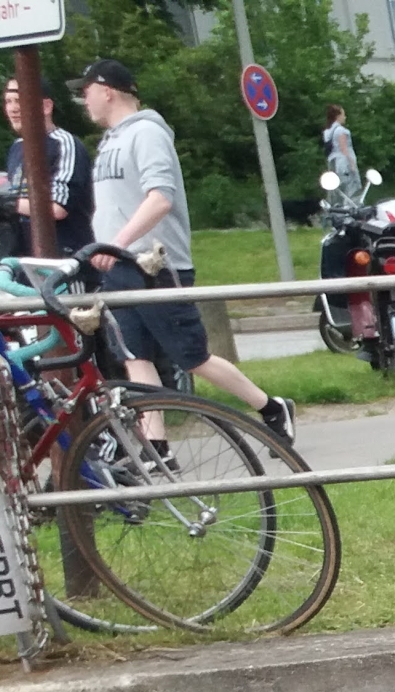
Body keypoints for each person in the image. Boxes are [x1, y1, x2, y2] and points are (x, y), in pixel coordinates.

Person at [72, 58, 296, 443]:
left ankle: (271, 407)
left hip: (152, 263)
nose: (83, 100)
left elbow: (160, 198)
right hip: (119, 265)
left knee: (190, 355)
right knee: (134, 356)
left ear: (106, 90)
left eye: (86, 91)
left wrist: (117, 243)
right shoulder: (110, 141)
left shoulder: (147, 134)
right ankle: (156, 444)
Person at [1, 76, 90, 254]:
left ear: (46, 106)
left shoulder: (63, 143)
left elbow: (58, 208)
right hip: (27, 256)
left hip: (65, 255)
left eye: (19, 100)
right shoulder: (17, 147)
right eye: (8, 102)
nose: (12, 109)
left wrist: (6, 205)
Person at [321, 104, 360, 202]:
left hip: (332, 163)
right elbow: (344, 149)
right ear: (338, 116)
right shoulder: (341, 131)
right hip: (343, 164)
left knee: (335, 190)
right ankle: (350, 208)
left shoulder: (327, 132)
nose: (345, 117)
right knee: (350, 188)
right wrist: (352, 165)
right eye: (343, 114)